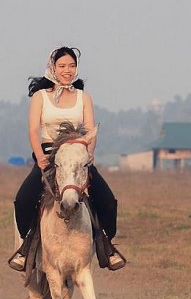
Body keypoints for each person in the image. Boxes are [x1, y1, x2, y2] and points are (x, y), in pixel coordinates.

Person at [8, 46, 126, 272]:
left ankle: (106, 245)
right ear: (52, 68)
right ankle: (26, 247)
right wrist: (41, 158)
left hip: (77, 156)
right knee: (23, 200)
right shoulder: (40, 97)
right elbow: (34, 130)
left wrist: (89, 153)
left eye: (71, 66)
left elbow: (91, 130)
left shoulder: (84, 98)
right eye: (62, 66)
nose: (67, 70)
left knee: (108, 201)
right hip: (49, 156)